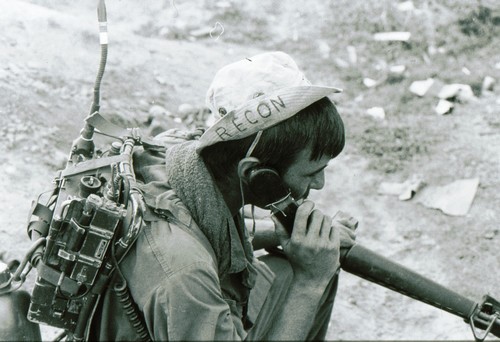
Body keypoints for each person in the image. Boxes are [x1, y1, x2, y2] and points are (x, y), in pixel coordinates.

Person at [89, 51, 358, 341]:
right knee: (310, 279)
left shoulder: (179, 154)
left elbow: (209, 229)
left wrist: (302, 238)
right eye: (310, 173)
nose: (320, 183)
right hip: (179, 307)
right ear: (256, 174)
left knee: (299, 269)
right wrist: (310, 281)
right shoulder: (186, 272)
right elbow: (189, 255)